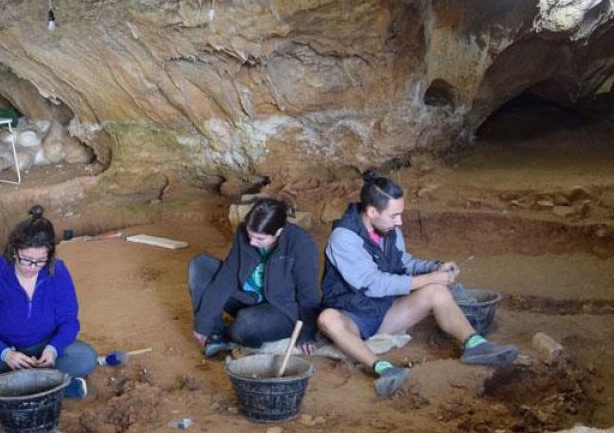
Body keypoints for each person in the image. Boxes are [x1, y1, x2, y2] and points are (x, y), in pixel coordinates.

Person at [318, 170, 519, 398]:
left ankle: (474, 344)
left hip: (383, 313)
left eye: (400, 214)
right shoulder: (344, 237)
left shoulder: (389, 230)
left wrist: (434, 267)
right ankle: (384, 369)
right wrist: (428, 278)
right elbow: (373, 284)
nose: (399, 221)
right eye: (394, 215)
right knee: (328, 319)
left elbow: (404, 262)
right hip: (353, 317)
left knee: (436, 290)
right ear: (372, 211)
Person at [0, 205, 96, 399]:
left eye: (40, 262)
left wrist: (53, 349)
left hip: (45, 347)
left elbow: (69, 321)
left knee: (85, 357)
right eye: (26, 260)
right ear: (14, 251)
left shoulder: (58, 272)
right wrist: (5, 354)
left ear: (50, 256)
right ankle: (51, 387)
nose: (32, 268)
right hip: (7, 351)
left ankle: (13, 389)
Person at [189, 197, 320, 357]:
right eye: (251, 235)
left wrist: (307, 332)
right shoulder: (243, 233)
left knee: (244, 327)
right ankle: (215, 336)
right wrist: (204, 323)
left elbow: (309, 295)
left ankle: (232, 331)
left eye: (260, 239)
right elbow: (226, 278)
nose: (251, 242)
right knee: (200, 264)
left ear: (278, 232)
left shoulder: (301, 244)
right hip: (247, 298)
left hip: (280, 308)